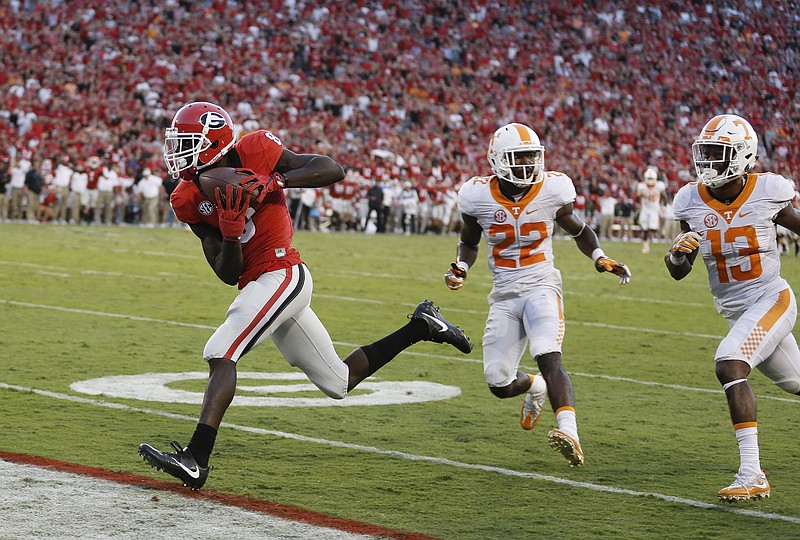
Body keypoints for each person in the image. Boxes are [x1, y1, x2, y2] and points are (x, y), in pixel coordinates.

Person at [138, 102, 473, 489]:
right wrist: (230, 236)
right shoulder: (186, 197)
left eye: (186, 142)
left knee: (221, 350)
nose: (177, 151)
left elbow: (332, 169)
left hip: (282, 271)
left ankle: (196, 458)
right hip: (257, 281)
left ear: (212, 141)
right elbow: (227, 273)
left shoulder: (255, 148)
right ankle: (421, 326)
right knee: (338, 382)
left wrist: (277, 182)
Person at [444, 123, 631, 467]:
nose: (529, 164)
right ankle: (536, 387)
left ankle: (569, 430)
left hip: (542, 285)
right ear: (498, 161)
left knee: (548, 353)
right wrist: (461, 267)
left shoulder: (552, 190)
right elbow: (469, 242)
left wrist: (599, 256)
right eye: (520, 157)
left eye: (532, 156)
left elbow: (580, 229)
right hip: (504, 294)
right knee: (498, 382)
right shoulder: (476, 195)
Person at [666, 113, 800, 502]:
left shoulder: (768, 191)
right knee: (796, 381)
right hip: (738, 310)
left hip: (772, 297)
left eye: (717, 154)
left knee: (729, 362)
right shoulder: (690, 200)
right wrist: (676, 256)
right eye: (704, 153)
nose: (707, 163)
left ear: (742, 156)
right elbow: (679, 270)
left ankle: (751, 473)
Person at [635, 167, 666, 253]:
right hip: (645, 209)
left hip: (654, 209)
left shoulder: (659, 185)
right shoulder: (641, 186)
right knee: (645, 228)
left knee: (652, 228)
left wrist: (664, 206)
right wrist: (639, 195)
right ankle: (645, 246)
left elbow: (664, 196)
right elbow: (637, 199)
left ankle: (661, 231)